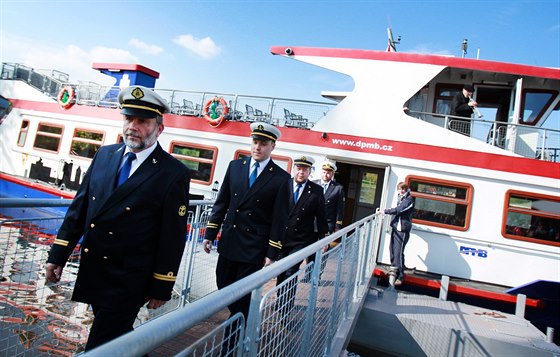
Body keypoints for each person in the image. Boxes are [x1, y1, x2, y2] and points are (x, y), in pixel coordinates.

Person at [45, 85, 191, 351]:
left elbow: (172, 235)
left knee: (100, 345)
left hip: (130, 279)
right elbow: (79, 210)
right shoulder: (104, 155)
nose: (132, 126)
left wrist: (162, 284)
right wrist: (58, 254)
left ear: (159, 128)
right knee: (117, 336)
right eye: (128, 118)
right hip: (94, 269)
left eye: (143, 121)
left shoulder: (173, 173)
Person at [201, 122, 290, 322]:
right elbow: (222, 202)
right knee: (223, 285)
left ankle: (233, 341)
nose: (258, 147)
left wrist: (272, 252)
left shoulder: (281, 178)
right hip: (229, 242)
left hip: (253, 248)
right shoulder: (235, 167)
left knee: (241, 297)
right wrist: (210, 234)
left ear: (272, 146)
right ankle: (241, 320)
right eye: (255, 142)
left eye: (264, 143)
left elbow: (280, 218)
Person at [276, 156, 329, 315]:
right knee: (280, 273)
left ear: (309, 172)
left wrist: (324, 238)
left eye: (304, 170)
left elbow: (321, 216)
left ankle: (286, 308)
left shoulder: (316, 190)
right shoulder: (283, 185)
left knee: (291, 272)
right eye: (298, 168)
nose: (301, 172)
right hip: (280, 238)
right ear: (294, 169)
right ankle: (280, 300)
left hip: (300, 240)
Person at [383, 182, 415, 286]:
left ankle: (401, 276)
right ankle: (394, 269)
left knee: (398, 252)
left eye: (403, 189)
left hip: (402, 230)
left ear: (406, 190)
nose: (401, 191)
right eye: (400, 189)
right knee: (392, 250)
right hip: (396, 228)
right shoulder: (400, 198)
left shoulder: (409, 200)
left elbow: (399, 210)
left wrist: (385, 211)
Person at [315, 160, 345, 247]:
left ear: (332, 174)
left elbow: (340, 208)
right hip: (312, 222)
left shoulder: (338, 188)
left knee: (324, 249)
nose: (325, 174)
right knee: (310, 249)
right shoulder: (313, 184)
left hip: (327, 224)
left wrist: (338, 225)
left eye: (328, 173)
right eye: (324, 172)